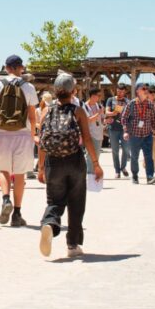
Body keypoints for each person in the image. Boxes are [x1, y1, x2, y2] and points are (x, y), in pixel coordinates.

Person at [38, 73, 103, 258]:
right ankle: (73, 245)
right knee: (76, 202)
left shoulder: (46, 111)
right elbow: (87, 139)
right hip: (75, 160)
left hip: (53, 161)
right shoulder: (78, 111)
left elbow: (42, 143)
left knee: (54, 201)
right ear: (73, 91)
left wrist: (41, 167)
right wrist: (96, 163)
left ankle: (49, 224)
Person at [0, 55, 38, 227]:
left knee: (4, 170)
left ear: (7, 68)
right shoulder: (29, 87)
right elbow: (32, 116)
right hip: (23, 134)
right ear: (20, 67)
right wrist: (33, 135)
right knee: (20, 174)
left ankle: (5, 199)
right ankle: (17, 213)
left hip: (3, 134)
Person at [121, 82, 155, 184]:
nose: (146, 90)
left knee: (148, 157)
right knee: (134, 157)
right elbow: (124, 118)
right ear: (137, 91)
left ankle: (150, 176)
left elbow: (154, 118)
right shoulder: (131, 104)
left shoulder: (150, 104)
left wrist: (154, 130)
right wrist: (125, 131)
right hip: (134, 135)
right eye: (143, 88)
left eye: (146, 89)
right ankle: (135, 176)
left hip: (147, 135)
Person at [105, 84, 130, 179]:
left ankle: (123, 167)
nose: (120, 93)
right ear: (116, 90)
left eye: (122, 92)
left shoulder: (127, 101)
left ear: (125, 92)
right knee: (115, 150)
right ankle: (117, 170)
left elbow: (131, 115)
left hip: (124, 129)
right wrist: (113, 113)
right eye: (118, 91)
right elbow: (106, 112)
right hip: (113, 128)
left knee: (126, 149)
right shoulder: (111, 100)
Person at [82, 89, 104, 174]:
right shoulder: (85, 106)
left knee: (97, 154)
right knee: (89, 154)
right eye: (98, 95)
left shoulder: (99, 106)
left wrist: (106, 121)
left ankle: (93, 172)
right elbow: (89, 120)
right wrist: (98, 113)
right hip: (89, 133)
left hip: (99, 133)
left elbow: (102, 119)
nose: (99, 97)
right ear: (92, 96)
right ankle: (89, 173)